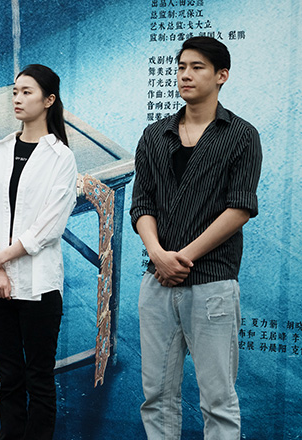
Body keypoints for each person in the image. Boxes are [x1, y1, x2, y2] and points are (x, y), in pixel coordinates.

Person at [131, 36, 262, 439]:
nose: (185, 75)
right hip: (157, 282)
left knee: (218, 401)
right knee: (156, 396)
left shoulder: (241, 135)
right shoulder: (155, 135)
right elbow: (141, 204)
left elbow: (240, 208)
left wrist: (180, 258)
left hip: (212, 284)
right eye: (181, 66)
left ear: (222, 75)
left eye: (197, 67)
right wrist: (158, 254)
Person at [0, 64, 78, 440]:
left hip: (38, 286)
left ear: (49, 100)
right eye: (15, 91)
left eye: (27, 92)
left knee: (39, 378)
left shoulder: (61, 158)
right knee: (9, 378)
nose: (17, 98)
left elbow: (48, 228)